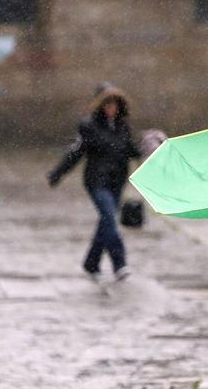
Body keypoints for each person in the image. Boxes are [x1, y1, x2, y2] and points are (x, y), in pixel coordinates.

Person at [47, 85, 141, 280]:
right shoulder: (89, 127)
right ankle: (119, 263)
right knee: (109, 218)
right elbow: (75, 153)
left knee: (106, 222)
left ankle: (92, 262)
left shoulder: (123, 127)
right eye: (107, 104)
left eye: (114, 104)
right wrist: (58, 173)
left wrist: (150, 145)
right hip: (97, 181)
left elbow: (132, 150)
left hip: (117, 180)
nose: (111, 108)